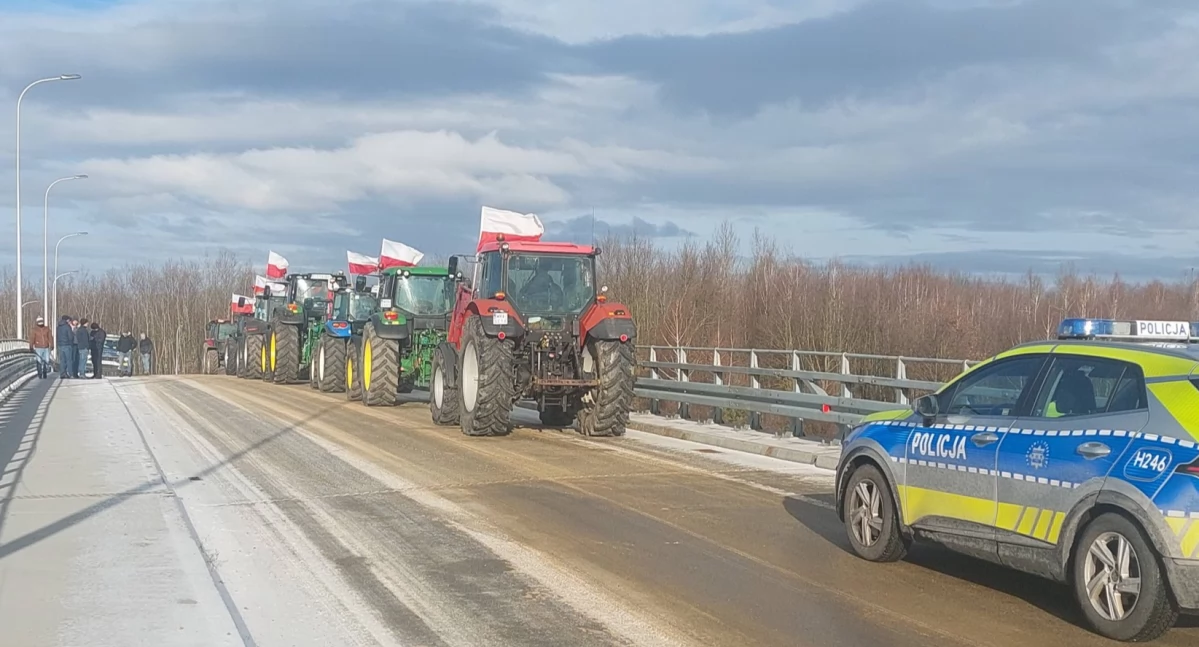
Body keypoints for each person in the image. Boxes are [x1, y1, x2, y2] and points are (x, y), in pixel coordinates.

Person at [56, 314, 76, 379]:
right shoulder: (67, 327)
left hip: (60, 345)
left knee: (62, 360)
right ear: (67, 320)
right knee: (69, 360)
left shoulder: (58, 327)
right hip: (67, 345)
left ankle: (62, 373)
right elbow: (70, 337)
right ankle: (70, 374)